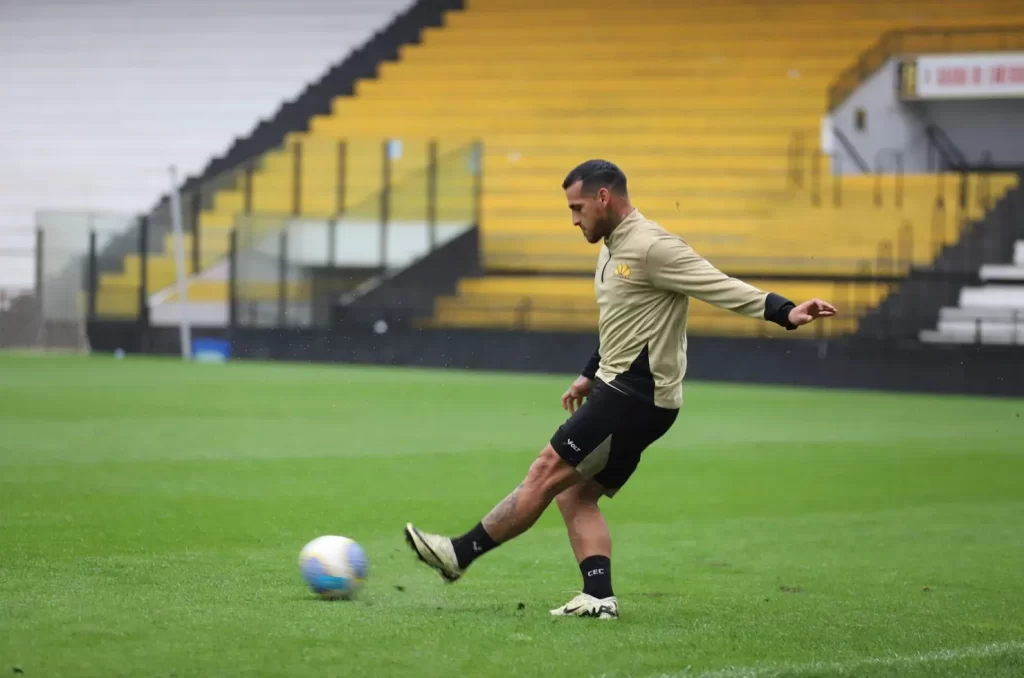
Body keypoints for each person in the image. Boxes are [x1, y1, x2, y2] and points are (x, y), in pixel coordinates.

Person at [404, 159, 837, 620]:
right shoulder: (613, 246)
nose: (574, 219)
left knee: (547, 470)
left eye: (577, 208)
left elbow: (717, 283)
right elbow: (623, 322)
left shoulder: (652, 246)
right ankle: (598, 597)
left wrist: (785, 312)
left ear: (603, 198)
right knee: (575, 494)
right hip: (629, 392)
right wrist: (590, 372)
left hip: (635, 395)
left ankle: (459, 555)